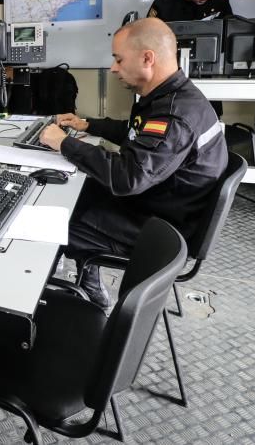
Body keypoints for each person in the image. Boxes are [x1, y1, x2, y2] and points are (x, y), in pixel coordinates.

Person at [38, 18, 228, 308]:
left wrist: (63, 143)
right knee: (76, 187)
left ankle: (49, 301)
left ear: (147, 58)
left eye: (118, 59)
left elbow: (128, 179)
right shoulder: (168, 96)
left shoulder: (175, 116)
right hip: (161, 203)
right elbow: (136, 135)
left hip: (159, 230)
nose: (113, 68)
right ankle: (87, 278)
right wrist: (86, 125)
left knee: (49, 222)